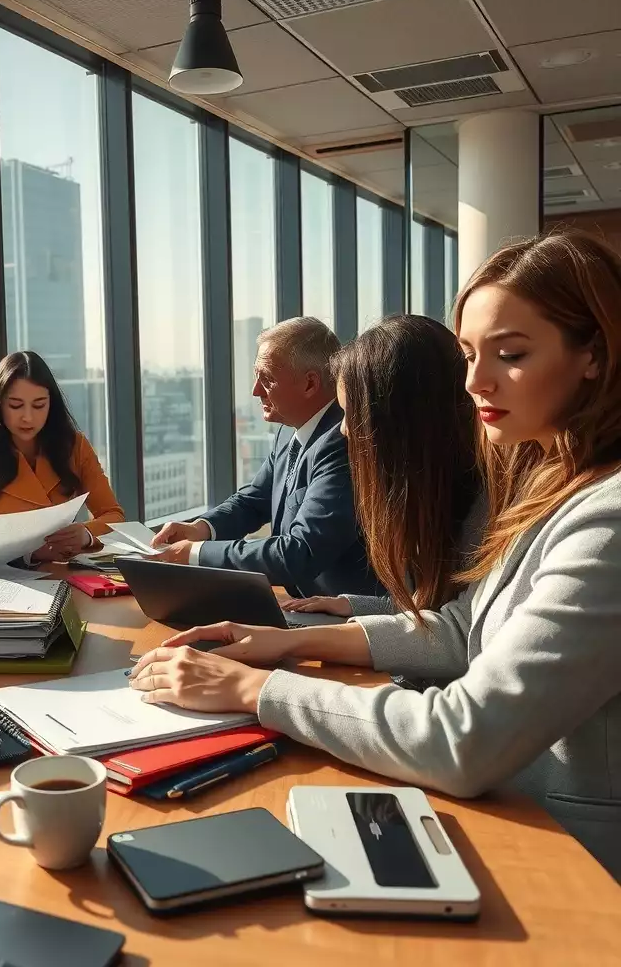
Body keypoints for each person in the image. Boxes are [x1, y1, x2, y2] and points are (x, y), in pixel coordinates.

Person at [129, 230, 621, 878]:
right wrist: (289, 643)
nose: (475, 382)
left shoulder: (606, 516)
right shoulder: (544, 480)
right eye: (469, 354)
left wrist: (258, 688)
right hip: (501, 811)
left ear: (595, 354)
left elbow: (462, 739)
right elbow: (463, 629)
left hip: (565, 853)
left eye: (511, 353)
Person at [150, 317, 381, 598]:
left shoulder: (343, 444)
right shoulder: (289, 429)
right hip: (302, 604)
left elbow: (300, 552)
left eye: (267, 378)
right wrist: (201, 529)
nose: (255, 390)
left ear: (310, 383)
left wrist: (197, 554)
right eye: (255, 375)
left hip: (346, 617)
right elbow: (254, 501)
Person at [280, 314, 483, 624]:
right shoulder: (439, 493)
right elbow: (435, 609)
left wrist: (295, 643)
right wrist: (353, 605)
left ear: (397, 421)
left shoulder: (484, 518)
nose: (344, 431)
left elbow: (456, 633)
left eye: (353, 415)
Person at [0, 351, 124, 562]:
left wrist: (86, 534)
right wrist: (27, 553)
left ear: (51, 404)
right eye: (16, 405)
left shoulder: (74, 445)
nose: (28, 417)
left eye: (39, 405)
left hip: (69, 570)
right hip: (10, 575)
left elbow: (114, 515)